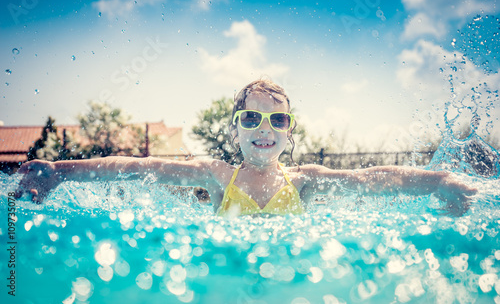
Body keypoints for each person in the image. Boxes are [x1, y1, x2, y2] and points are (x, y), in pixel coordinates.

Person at [15, 79, 476, 217]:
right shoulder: (219, 175)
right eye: (251, 118)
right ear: (235, 129)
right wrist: (61, 169)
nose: (265, 127)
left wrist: (437, 181)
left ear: (290, 132)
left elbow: (375, 179)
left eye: (278, 119)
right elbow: (137, 168)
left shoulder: (306, 181)